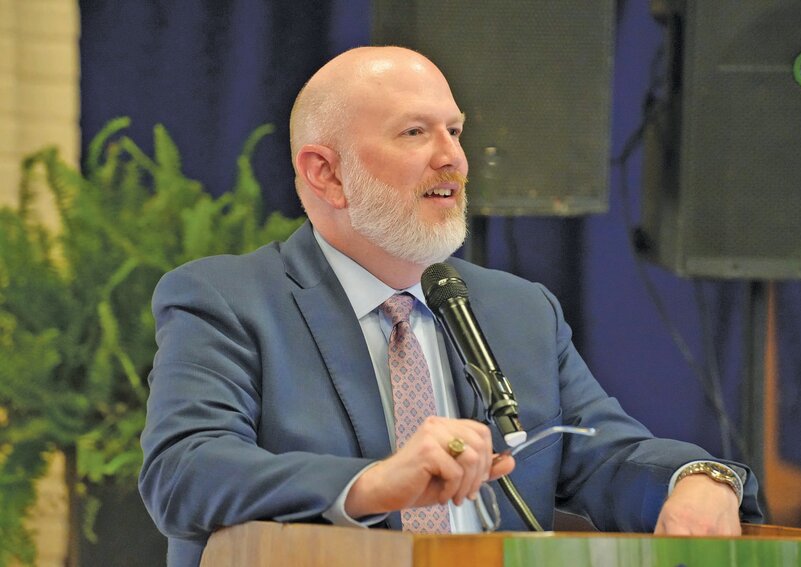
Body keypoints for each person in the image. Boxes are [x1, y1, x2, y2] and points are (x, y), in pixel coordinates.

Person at [139, 46, 762, 566]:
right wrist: (371, 485)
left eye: (455, 131)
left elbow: (609, 456)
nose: (453, 158)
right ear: (326, 174)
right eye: (415, 132)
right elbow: (185, 472)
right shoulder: (228, 300)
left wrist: (701, 479)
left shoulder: (518, 310)